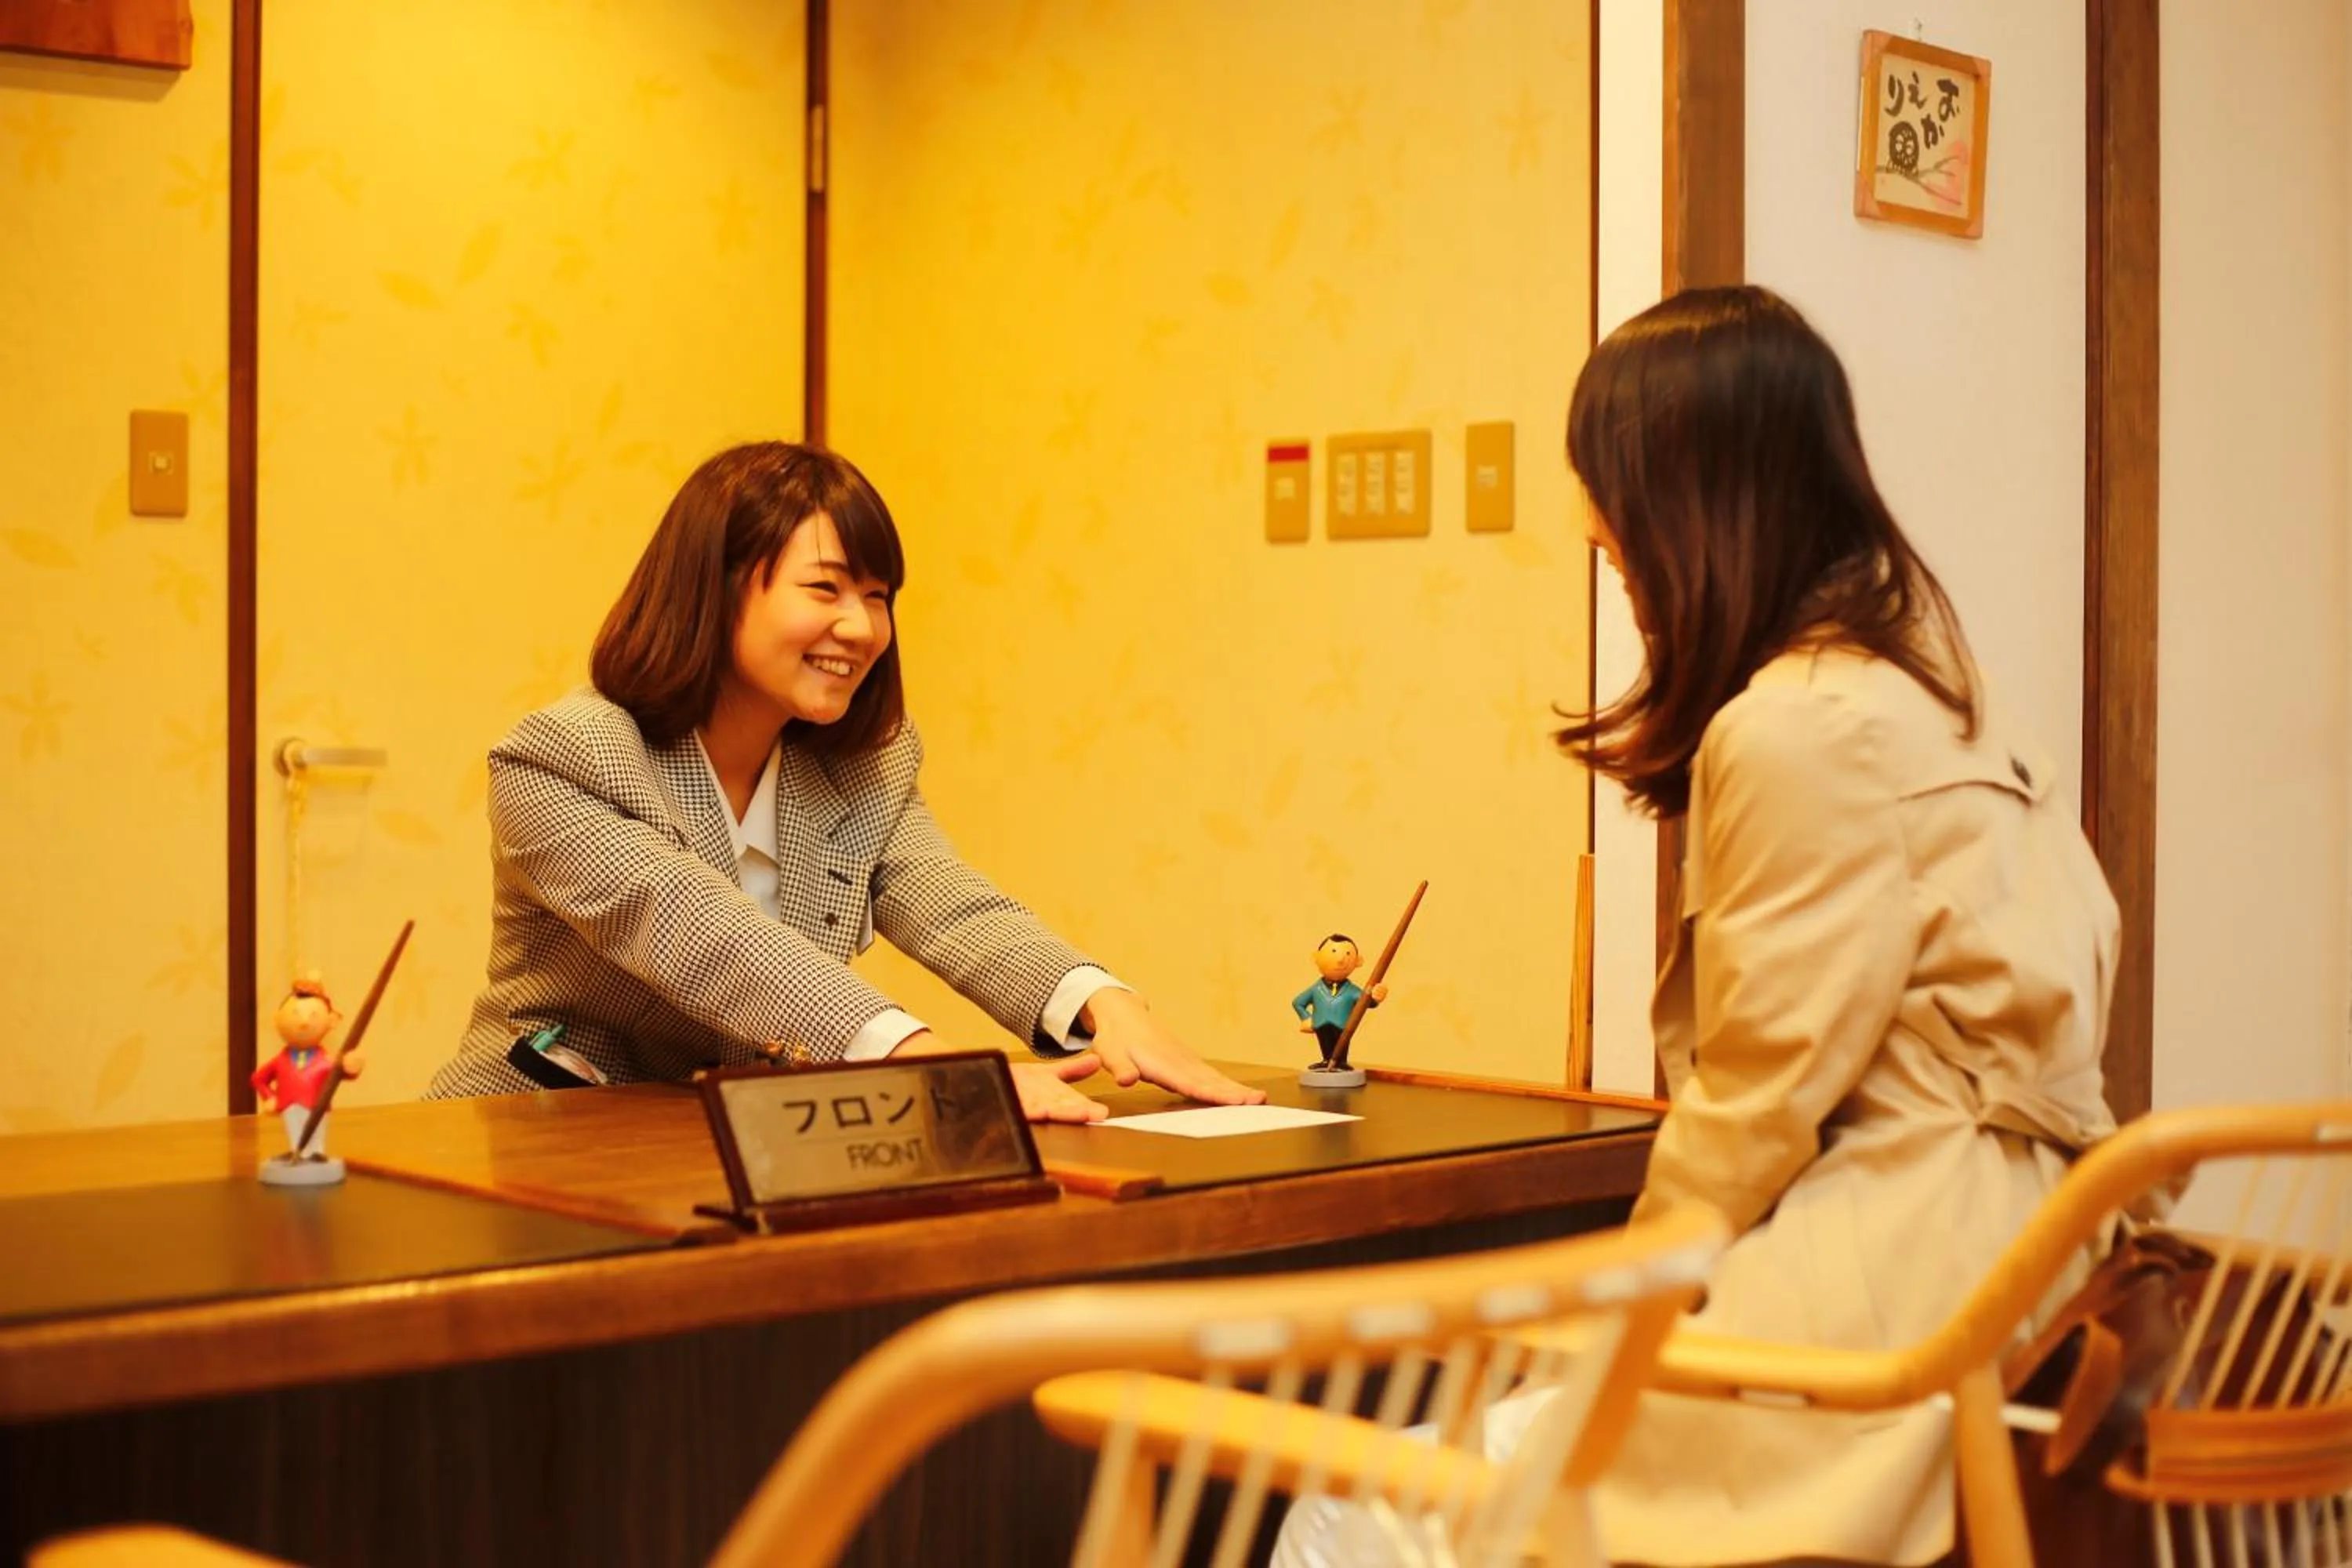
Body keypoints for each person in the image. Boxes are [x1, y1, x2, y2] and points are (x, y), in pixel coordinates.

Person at [1279, 286, 2122, 1566]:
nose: (1592, 530)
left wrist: (1607, 1322)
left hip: (1887, 1317)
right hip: (2027, 1283)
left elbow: (1750, 1114)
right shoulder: (1952, 697)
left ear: (1694, 492)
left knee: (1353, 1507)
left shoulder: (1800, 726)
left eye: (1608, 487)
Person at [426, 441, 1264, 1123]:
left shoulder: (866, 762)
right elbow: (702, 935)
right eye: (824, 588)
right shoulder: (564, 757)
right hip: (536, 1137)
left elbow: (953, 905)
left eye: (877, 595)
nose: (861, 627)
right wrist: (929, 1066)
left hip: (746, 1143)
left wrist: (1100, 1002)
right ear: (714, 591)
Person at [253, 975, 359, 1161]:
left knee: (316, 1131)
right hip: (288, 1105)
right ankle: (297, 1152)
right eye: (295, 1014)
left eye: (313, 1016)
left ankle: (316, 1153)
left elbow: (343, 1072)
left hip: (316, 1105)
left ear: (332, 1021)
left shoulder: (326, 1061)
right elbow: (258, 1079)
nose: (304, 1023)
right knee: (294, 1129)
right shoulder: (280, 1061)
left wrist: (352, 1066)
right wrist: (270, 1097)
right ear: (277, 1020)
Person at [1290, 933, 1387, 1065]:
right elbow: (1298, 1003)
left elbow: (1366, 1002)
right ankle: (1326, 1060)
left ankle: (1341, 1062)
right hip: (1321, 1024)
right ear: (1316, 957)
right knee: (1325, 1043)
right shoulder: (1316, 989)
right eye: (1333, 951)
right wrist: (1306, 1018)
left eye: (1348, 954)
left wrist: (1375, 997)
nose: (1341, 960)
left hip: (1343, 1026)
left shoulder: (1352, 990)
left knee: (1342, 1045)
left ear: (1358, 962)